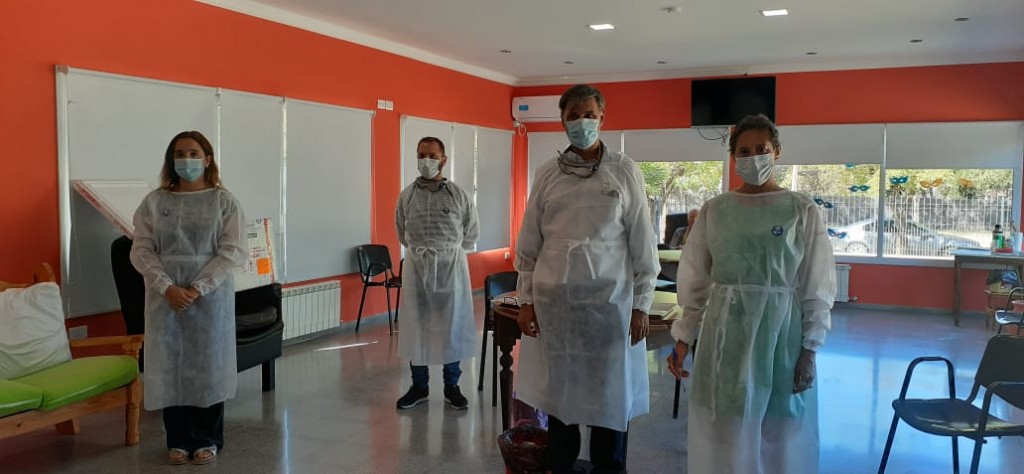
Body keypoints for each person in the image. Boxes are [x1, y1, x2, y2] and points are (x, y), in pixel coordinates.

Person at [666, 114, 836, 474]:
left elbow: (816, 284)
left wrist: (810, 349)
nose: (753, 157)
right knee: (725, 424)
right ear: (733, 157)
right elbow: (695, 281)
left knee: (779, 429)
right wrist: (683, 339)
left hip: (781, 335)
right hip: (726, 333)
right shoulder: (716, 211)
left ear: (777, 151)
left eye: (761, 148)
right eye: (744, 151)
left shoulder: (800, 209)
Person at [515, 84, 659, 474]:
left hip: (610, 308)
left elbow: (643, 244)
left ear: (603, 118)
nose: (582, 122)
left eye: (589, 115)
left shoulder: (624, 171)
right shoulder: (547, 174)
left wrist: (641, 305)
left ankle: (608, 467)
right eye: (573, 115)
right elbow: (529, 243)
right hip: (556, 308)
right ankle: (561, 465)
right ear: (562, 120)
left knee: (609, 399)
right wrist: (526, 301)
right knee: (561, 399)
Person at [130, 130, 246, 465]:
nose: (187, 160)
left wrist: (197, 288)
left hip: (209, 299)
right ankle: (178, 439)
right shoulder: (155, 202)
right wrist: (166, 286)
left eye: (194, 154)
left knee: (207, 366)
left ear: (207, 159)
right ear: (171, 160)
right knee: (170, 366)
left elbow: (232, 251)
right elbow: (142, 250)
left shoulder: (224, 202)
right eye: (180, 154)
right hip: (164, 299)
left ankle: (208, 438)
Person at [395, 136, 479, 411]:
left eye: (432, 156)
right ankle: (419, 386)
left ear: (444, 159)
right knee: (416, 326)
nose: (426, 161)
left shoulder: (458, 195)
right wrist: (424, 253)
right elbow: (402, 233)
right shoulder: (407, 196)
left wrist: (445, 253)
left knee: (450, 326)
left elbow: (471, 233)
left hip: (450, 269)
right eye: (422, 155)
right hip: (417, 268)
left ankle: (451, 386)